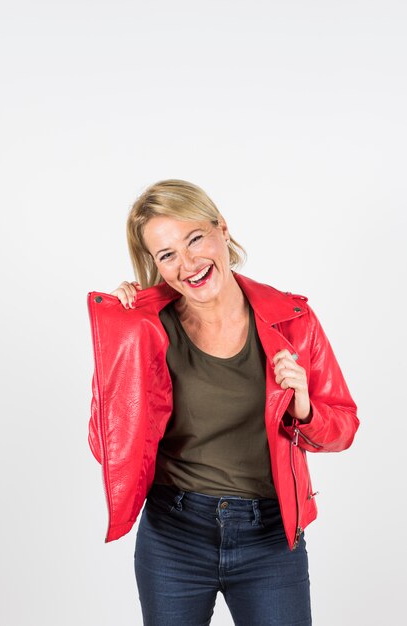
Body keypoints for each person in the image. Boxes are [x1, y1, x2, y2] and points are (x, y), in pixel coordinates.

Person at [87, 178, 359, 626]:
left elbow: (344, 426)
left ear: (222, 230)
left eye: (195, 239)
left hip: (271, 537)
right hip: (174, 535)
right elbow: (106, 447)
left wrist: (304, 409)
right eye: (167, 254)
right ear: (154, 264)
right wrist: (120, 343)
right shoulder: (148, 328)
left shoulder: (292, 321)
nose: (188, 263)